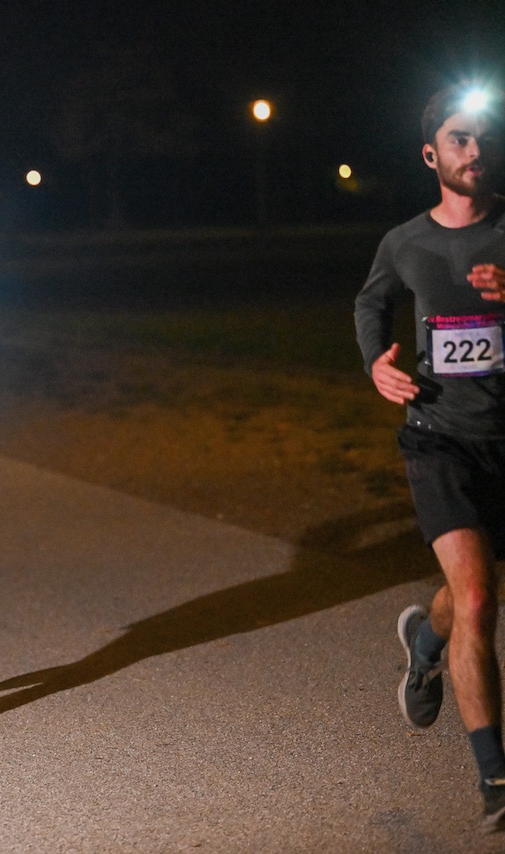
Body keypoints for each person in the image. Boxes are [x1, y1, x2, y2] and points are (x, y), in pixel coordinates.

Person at [354, 83, 505, 831]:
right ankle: (496, 782)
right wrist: (375, 366)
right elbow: (370, 304)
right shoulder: (406, 242)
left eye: (482, 137)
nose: (474, 151)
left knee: (468, 592)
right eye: (459, 139)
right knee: (479, 600)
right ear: (431, 154)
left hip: (504, 439)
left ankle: (425, 639)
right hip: (437, 438)